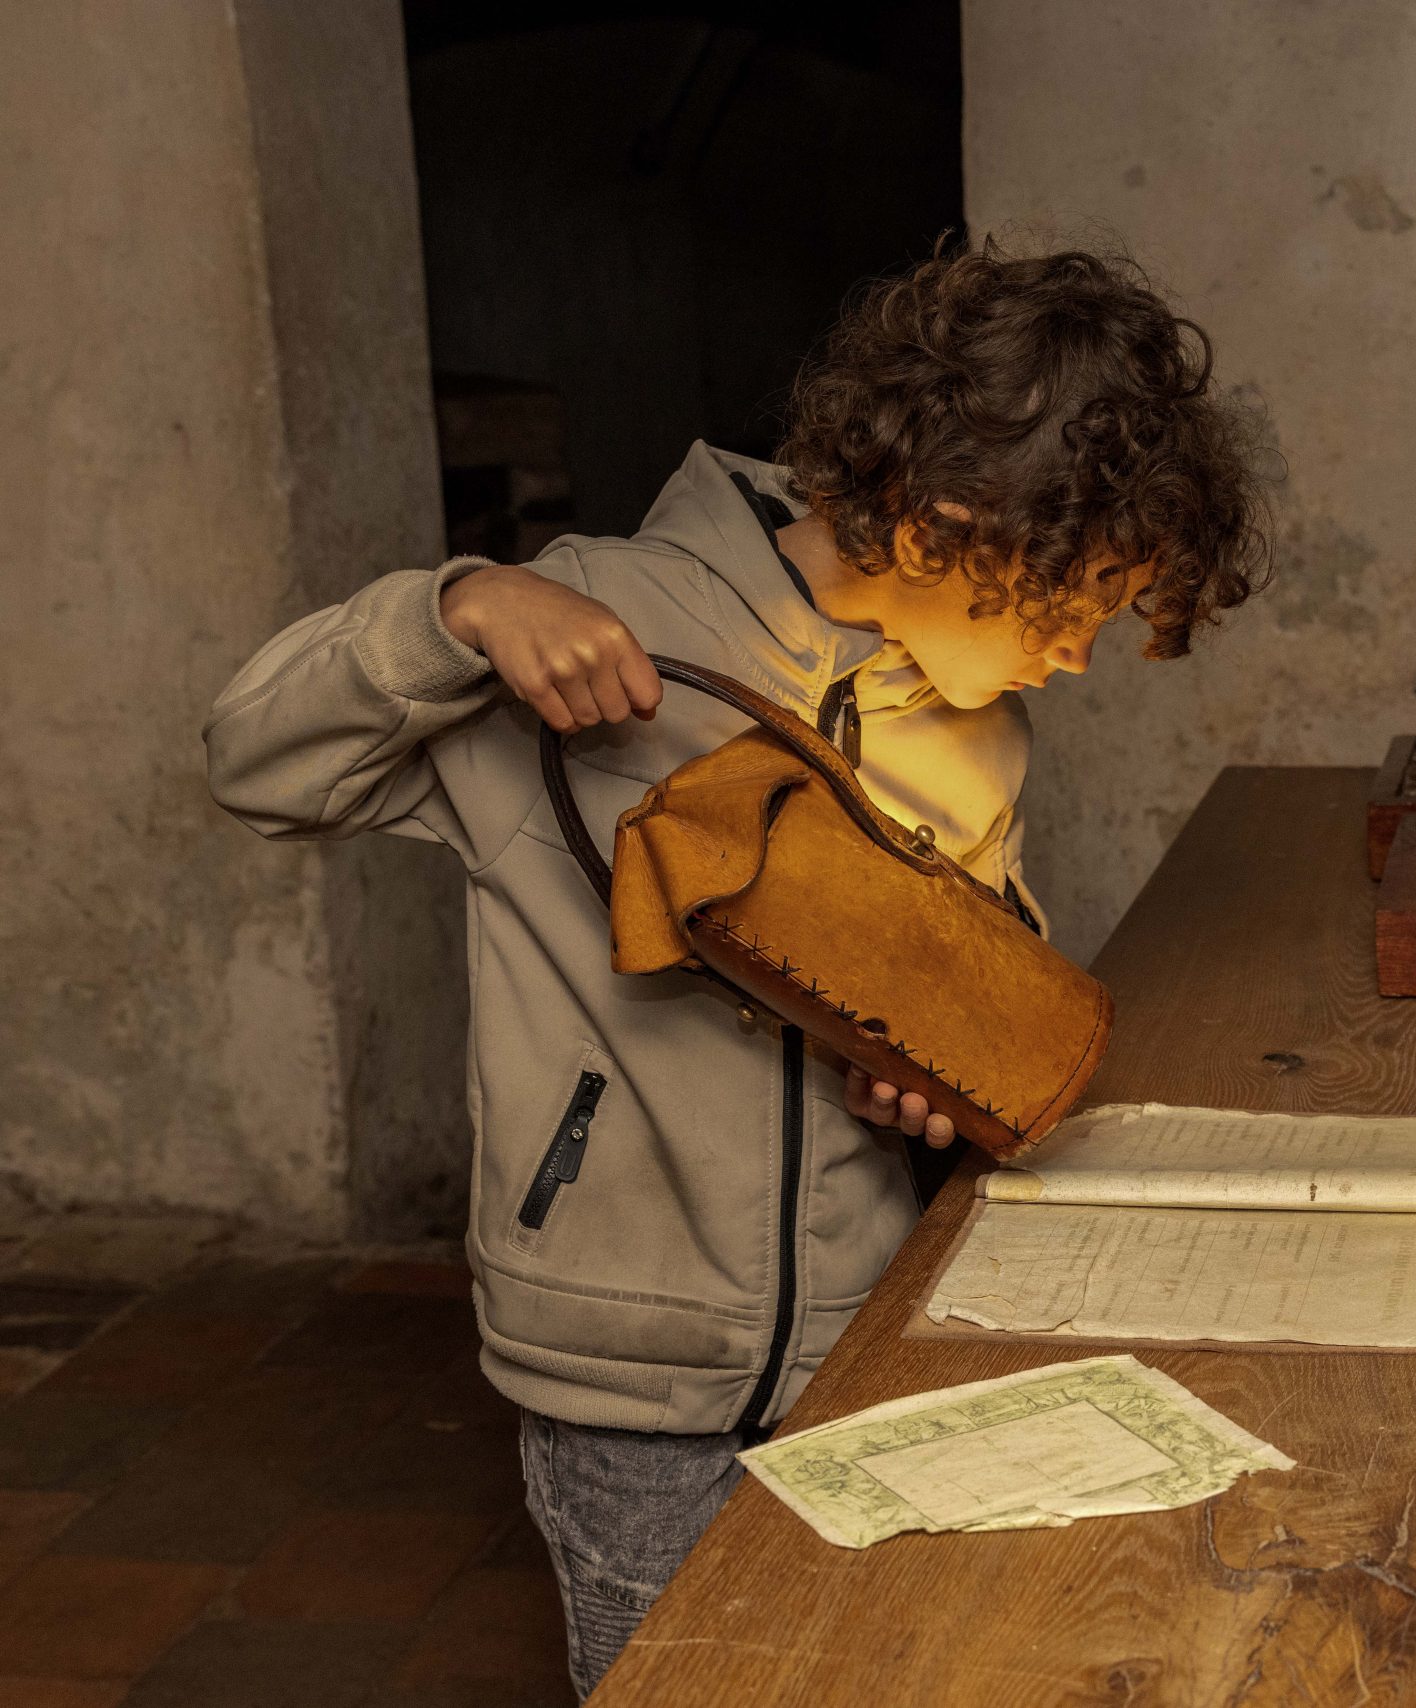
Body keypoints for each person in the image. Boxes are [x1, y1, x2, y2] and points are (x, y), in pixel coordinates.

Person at [203, 241, 1271, 1696]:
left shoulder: (972, 722)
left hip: (869, 1341)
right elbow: (254, 763)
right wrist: (455, 611)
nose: (1075, 658)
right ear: (946, 523)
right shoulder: (581, 631)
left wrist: (935, 1084)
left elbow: (968, 967)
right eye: (1069, 609)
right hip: (634, 1387)